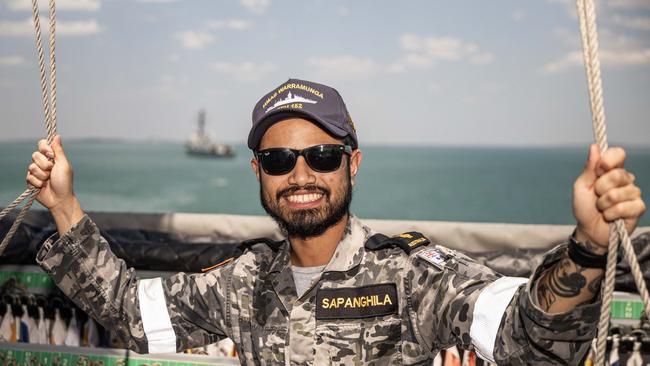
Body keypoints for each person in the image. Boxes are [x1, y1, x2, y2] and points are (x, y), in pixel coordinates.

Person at [26, 79, 645, 365]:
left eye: (321, 156)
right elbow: (133, 313)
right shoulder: (242, 281)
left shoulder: (414, 275)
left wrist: (589, 247)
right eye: (278, 159)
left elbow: (531, 341)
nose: (300, 174)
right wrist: (63, 206)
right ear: (258, 172)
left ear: (351, 163)